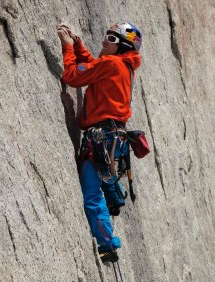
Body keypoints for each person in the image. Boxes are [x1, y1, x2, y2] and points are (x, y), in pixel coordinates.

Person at [57, 22, 142, 262]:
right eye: (107, 36)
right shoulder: (123, 66)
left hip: (100, 139)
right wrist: (78, 44)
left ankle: (108, 244)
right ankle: (112, 203)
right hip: (113, 139)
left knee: (92, 194)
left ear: (122, 47)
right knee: (101, 183)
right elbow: (94, 67)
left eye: (112, 40)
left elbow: (72, 76)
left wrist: (67, 48)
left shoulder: (111, 63)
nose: (105, 41)